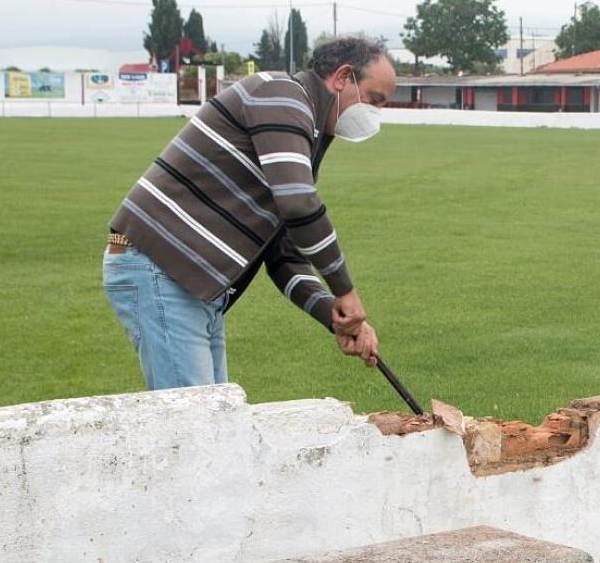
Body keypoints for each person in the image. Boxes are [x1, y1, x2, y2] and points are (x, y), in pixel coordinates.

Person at [103, 36, 395, 389]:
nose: (375, 114)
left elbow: (282, 251)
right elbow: (299, 204)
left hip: (192, 283)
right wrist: (346, 291)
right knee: (195, 428)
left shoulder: (307, 129)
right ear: (342, 77)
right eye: (374, 100)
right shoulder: (282, 95)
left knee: (214, 420)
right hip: (162, 267)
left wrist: (335, 315)